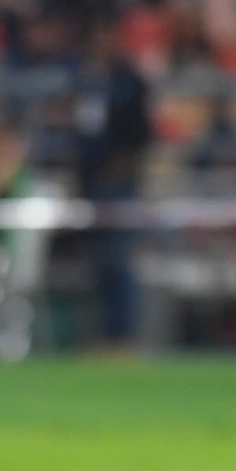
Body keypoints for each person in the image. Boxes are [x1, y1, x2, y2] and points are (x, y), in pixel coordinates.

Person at [74, 17, 152, 349]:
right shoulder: (87, 80)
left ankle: (123, 336)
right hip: (90, 184)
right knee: (98, 264)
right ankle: (104, 335)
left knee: (119, 260)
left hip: (119, 184)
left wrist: (120, 169)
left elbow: (141, 134)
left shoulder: (129, 80)